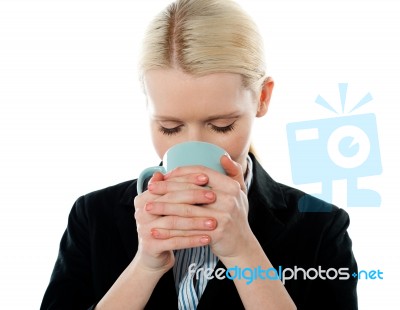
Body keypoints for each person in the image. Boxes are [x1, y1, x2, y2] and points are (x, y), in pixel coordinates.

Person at [41, 0, 358, 309]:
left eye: (221, 126)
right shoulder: (94, 217)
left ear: (262, 98)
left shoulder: (320, 228)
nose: (193, 147)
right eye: (169, 127)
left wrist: (243, 252)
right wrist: (144, 267)